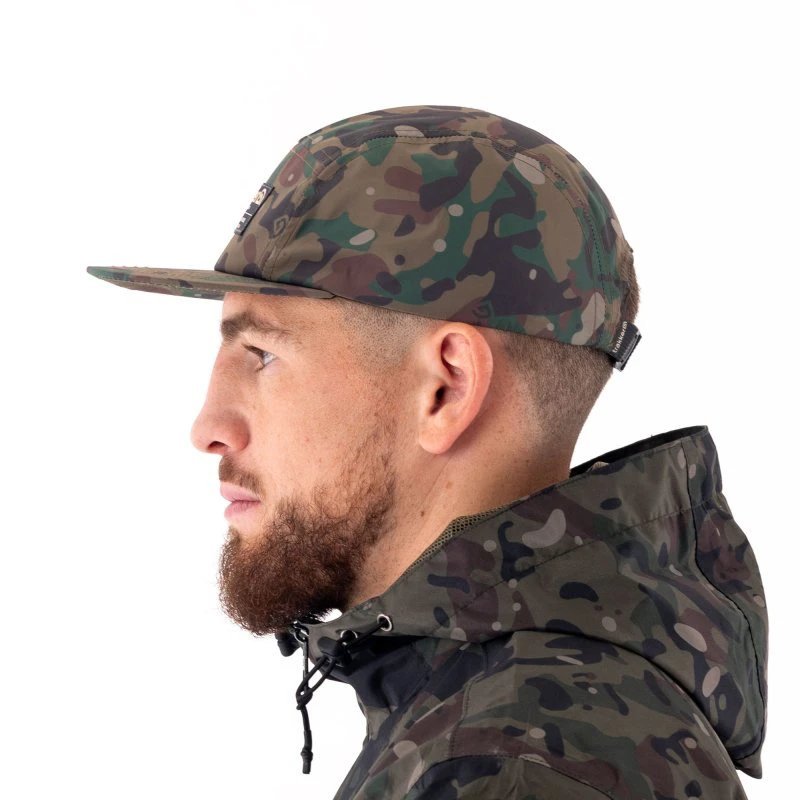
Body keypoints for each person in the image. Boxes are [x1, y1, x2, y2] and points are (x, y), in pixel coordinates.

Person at [86, 104, 768, 799]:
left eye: (262, 354)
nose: (208, 427)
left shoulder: (508, 768)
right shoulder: (511, 718)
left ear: (446, 388)